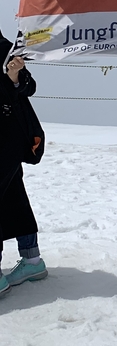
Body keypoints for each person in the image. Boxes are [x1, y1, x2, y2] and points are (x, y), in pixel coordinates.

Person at [0, 32, 48, 295]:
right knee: (13, 196)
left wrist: (13, 77)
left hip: (7, 139)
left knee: (11, 196)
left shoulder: (4, 49)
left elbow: (27, 87)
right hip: (9, 141)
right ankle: (32, 260)